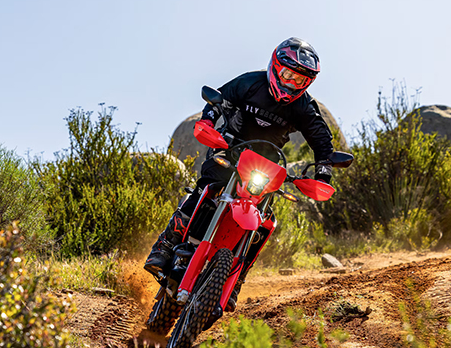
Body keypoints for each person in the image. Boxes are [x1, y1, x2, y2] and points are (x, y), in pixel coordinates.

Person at [143, 37, 335, 311]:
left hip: (265, 165)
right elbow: (218, 100)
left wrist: (324, 173)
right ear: (275, 66)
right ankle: (165, 245)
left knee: (265, 222)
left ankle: (237, 278)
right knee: (206, 189)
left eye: (300, 80)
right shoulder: (250, 82)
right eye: (288, 74)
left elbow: (322, 140)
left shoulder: (304, 106)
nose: (292, 83)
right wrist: (208, 120)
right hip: (230, 149)